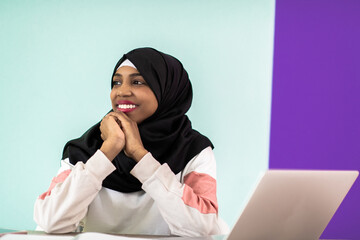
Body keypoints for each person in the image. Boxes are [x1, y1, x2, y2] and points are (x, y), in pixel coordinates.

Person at [33, 47, 229, 237]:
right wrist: (107, 152)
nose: (122, 92)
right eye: (116, 83)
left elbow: (204, 227)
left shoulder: (192, 150)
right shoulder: (84, 149)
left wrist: (140, 155)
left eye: (137, 82)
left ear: (166, 91)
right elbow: (50, 221)